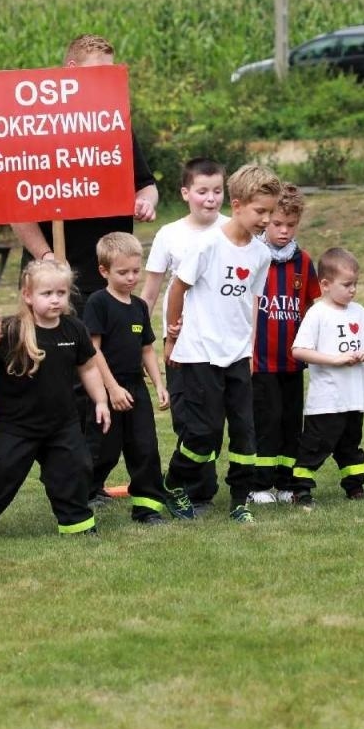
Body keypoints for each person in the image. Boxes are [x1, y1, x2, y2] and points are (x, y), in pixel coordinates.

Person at [0, 260, 111, 540]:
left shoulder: (75, 329)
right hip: (16, 426)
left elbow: (89, 368)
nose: (55, 299)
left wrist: (101, 401)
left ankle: (77, 526)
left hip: (62, 425)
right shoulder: (11, 329)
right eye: (47, 294)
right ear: (27, 295)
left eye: (61, 293)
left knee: (75, 470)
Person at [162, 163, 281, 522]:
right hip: (199, 353)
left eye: (271, 212)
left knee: (245, 432)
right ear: (239, 203)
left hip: (236, 355)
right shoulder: (208, 244)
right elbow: (178, 288)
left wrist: (250, 349)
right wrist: (172, 335)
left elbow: (254, 303)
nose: (266, 219)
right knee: (204, 433)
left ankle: (240, 500)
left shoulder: (262, 254)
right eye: (260, 211)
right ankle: (174, 484)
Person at [10, 34, 160, 307]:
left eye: (109, 73)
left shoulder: (115, 122)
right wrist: (46, 257)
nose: (104, 80)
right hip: (51, 277)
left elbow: (146, 184)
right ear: (71, 69)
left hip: (109, 275)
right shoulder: (36, 125)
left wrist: (146, 202)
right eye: (97, 72)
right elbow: (17, 205)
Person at [140, 157, 225, 510]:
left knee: (214, 421)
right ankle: (190, 487)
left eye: (217, 190)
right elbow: (150, 292)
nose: (210, 198)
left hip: (222, 344)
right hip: (179, 342)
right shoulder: (169, 235)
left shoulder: (233, 230)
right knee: (188, 419)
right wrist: (138, 337)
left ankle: (195, 487)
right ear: (186, 193)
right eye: (202, 191)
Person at [80, 232, 174, 523]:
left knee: (145, 448)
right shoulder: (98, 303)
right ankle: (81, 493)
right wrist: (112, 389)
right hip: (105, 389)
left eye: (136, 271)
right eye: (123, 272)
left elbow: (147, 349)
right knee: (102, 452)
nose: (131, 278)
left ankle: (148, 508)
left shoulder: (139, 308)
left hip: (136, 388)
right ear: (104, 271)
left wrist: (159, 384)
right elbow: (93, 351)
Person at [286, 248, 364, 509]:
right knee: (316, 446)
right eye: (346, 285)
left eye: (355, 284)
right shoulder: (317, 313)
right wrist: (334, 360)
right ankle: (301, 489)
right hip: (327, 400)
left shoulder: (359, 311)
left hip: (355, 398)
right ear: (325, 284)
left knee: (350, 445)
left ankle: (355, 487)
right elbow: (298, 350)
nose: (352, 290)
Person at [248, 184, 319, 504]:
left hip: (293, 361)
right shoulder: (251, 257)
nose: (284, 231)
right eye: (277, 224)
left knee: (292, 423)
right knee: (266, 422)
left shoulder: (303, 262)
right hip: (260, 361)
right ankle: (258, 484)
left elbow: (315, 308)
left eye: (291, 225)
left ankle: (287, 482)